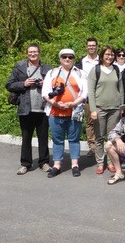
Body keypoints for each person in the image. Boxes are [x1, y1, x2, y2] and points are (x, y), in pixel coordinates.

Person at [5, 44, 52, 175]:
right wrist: (24, 84)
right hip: (26, 108)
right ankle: (25, 164)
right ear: (27, 54)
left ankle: (44, 163)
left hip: (43, 108)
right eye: (30, 52)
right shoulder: (20, 69)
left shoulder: (48, 69)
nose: (33, 54)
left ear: (39, 53)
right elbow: (9, 85)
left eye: (35, 52)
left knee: (43, 137)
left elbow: (56, 86)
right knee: (26, 137)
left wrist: (46, 84)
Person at [42, 48, 88, 178]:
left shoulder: (80, 73)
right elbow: (45, 92)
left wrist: (73, 103)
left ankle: (75, 164)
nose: (67, 59)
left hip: (74, 111)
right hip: (55, 111)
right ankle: (57, 164)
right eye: (64, 57)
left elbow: (84, 92)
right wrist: (54, 103)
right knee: (57, 140)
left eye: (70, 57)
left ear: (74, 59)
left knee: (74, 139)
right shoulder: (52, 73)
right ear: (60, 58)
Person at [87, 45, 124, 175]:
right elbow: (90, 92)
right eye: (107, 54)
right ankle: (100, 163)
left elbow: (121, 90)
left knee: (112, 137)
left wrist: (122, 106)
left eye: (112, 54)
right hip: (99, 108)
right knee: (99, 137)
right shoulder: (95, 70)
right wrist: (93, 109)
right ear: (102, 55)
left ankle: (110, 162)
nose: (110, 57)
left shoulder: (116, 69)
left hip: (114, 109)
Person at [77, 37, 99, 156]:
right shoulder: (81, 62)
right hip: (87, 96)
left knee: (102, 121)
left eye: (93, 45)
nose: (91, 47)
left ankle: (101, 143)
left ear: (97, 47)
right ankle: (92, 146)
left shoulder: (102, 60)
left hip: (101, 95)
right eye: (89, 45)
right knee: (90, 121)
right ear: (86, 47)